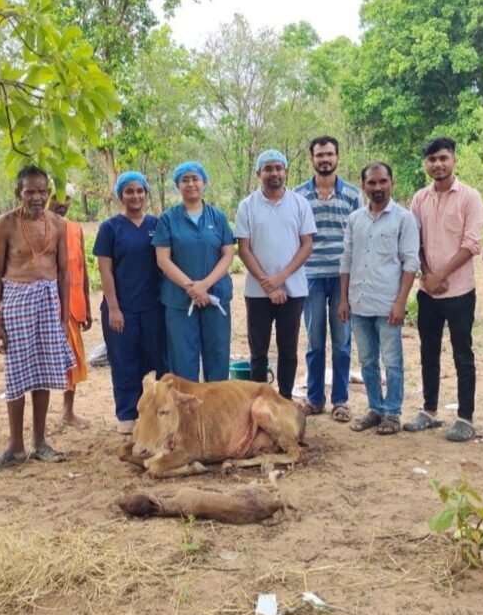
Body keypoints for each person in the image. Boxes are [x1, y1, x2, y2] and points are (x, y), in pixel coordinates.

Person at [0, 165, 75, 470]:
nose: (37, 197)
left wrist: (64, 317)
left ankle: (40, 442)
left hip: (49, 302)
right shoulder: (6, 225)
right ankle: (15, 446)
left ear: (49, 193)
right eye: (30, 191)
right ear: (18, 193)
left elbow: (64, 273)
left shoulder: (58, 224)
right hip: (16, 301)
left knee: (45, 372)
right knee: (16, 374)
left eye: (42, 191)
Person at [406, 137, 483, 441]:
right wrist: (428, 274)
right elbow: (416, 242)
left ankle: (465, 417)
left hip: (460, 292)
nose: (437, 164)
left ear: (453, 160)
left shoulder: (470, 197)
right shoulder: (419, 199)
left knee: (463, 354)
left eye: (443, 158)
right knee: (428, 351)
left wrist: (442, 274)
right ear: (426, 164)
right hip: (428, 292)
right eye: (431, 159)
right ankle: (429, 411)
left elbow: (471, 244)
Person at [339, 162, 419, 435]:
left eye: (382, 181)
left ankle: (393, 412)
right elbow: (347, 259)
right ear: (363, 186)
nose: (377, 187)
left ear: (391, 183)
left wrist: (400, 303)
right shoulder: (355, 219)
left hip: (388, 306)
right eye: (371, 183)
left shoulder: (404, 219)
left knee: (393, 361)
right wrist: (343, 299)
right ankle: (375, 408)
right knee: (367, 361)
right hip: (359, 303)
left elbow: (410, 264)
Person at [235, 149, 316, 399]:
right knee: (258, 350)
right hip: (257, 292)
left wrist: (280, 279)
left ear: (285, 171)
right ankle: (258, 401)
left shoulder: (300, 203)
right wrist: (268, 286)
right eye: (268, 169)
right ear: (259, 173)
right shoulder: (247, 205)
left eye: (279, 168)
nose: (274, 173)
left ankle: (284, 399)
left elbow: (307, 246)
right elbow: (244, 249)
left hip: (293, 290)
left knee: (288, 348)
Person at [93, 171, 167, 433]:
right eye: (129, 191)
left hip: (152, 308)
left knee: (155, 360)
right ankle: (126, 415)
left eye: (140, 191)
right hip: (121, 309)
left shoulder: (157, 225)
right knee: (124, 362)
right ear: (119, 196)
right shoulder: (109, 228)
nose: (135, 196)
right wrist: (114, 308)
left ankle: (153, 413)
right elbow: (105, 270)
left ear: (146, 194)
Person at [294, 136, 361, 422]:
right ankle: (314, 398)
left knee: (342, 341)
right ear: (311, 158)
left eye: (329, 154)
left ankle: (341, 401)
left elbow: (359, 235)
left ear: (338, 157)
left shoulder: (353, 194)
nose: (325, 159)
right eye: (319, 154)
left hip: (342, 277)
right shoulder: (298, 196)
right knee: (315, 341)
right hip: (310, 276)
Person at [153, 161, 234, 381]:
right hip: (180, 301)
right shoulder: (168, 219)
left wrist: (204, 286)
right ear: (178, 185)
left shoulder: (217, 217)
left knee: (217, 358)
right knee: (183, 361)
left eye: (195, 179)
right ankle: (186, 414)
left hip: (215, 296)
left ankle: (217, 414)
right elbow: (163, 259)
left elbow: (228, 254)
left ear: (204, 183)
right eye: (185, 180)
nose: (191, 184)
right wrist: (192, 288)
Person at [47, 183, 92, 427]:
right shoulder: (38, 228)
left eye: (67, 200)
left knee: (72, 360)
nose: (61, 203)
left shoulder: (75, 229)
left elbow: (81, 269)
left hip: (73, 306)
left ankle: (68, 411)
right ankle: (40, 415)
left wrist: (87, 307)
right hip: (46, 305)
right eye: (56, 198)